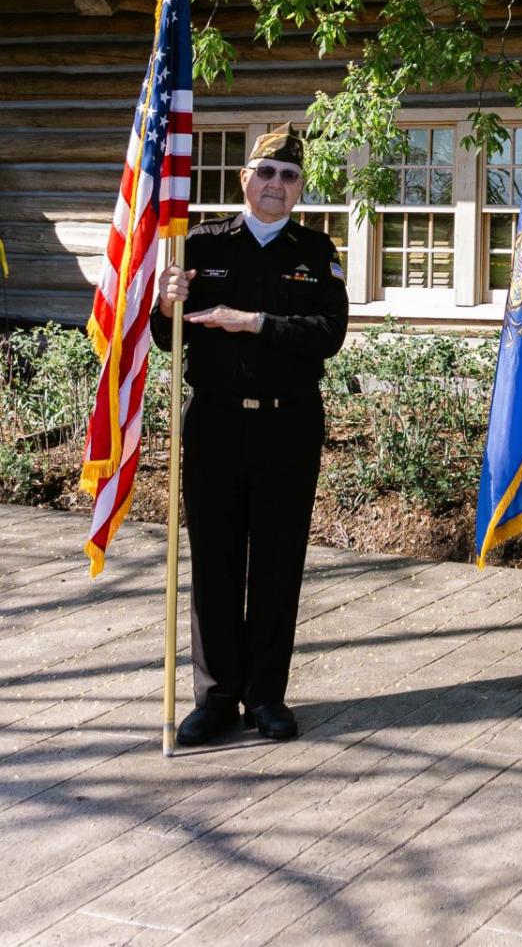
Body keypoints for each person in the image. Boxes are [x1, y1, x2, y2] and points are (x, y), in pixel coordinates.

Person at [150, 125, 348, 746]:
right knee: (213, 558)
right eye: (266, 173)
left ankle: (266, 696)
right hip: (214, 420)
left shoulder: (316, 253)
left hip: (288, 423)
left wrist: (255, 322)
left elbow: (329, 334)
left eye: (289, 177)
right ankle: (214, 698)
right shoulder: (200, 243)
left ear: (299, 188)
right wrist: (163, 305)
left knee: (277, 560)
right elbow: (166, 340)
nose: (276, 185)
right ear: (245, 179)